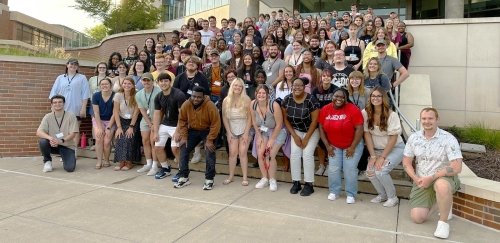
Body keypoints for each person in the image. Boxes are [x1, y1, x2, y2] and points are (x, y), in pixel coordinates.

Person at [402, 108, 463, 239]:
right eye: (424, 119)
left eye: (430, 118)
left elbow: (457, 167)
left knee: (441, 186)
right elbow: (406, 162)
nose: (427, 121)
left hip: (443, 177)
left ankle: (443, 223)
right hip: (422, 179)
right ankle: (445, 203)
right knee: (417, 218)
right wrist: (416, 178)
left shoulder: (448, 138)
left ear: (437, 120)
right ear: (420, 120)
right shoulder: (414, 138)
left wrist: (432, 177)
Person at [318, 88, 363, 204]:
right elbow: (321, 128)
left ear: (346, 99)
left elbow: (359, 129)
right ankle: (334, 191)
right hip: (334, 145)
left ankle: (351, 193)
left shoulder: (353, 109)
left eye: (342, 97)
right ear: (332, 97)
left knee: (349, 169)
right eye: (336, 96)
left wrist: (353, 147)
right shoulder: (325, 109)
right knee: (333, 169)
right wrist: (327, 146)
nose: (339, 99)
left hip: (352, 145)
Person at [363, 87, 405, 207]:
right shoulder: (365, 113)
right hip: (376, 149)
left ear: (383, 98)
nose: (375, 98)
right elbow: (367, 134)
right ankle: (383, 195)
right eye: (373, 96)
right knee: (370, 171)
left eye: (378, 96)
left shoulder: (392, 115)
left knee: (381, 171)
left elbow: (393, 138)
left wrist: (382, 157)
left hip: (396, 148)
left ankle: (393, 197)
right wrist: (372, 156)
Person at [175, 86, 221, 190]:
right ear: (191, 95)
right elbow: (182, 120)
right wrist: (184, 136)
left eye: (199, 97)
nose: (196, 99)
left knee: (209, 150)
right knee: (183, 147)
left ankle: (209, 179)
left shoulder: (210, 105)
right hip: (193, 130)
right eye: (194, 96)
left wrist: (209, 140)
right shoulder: (186, 104)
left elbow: (216, 124)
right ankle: (184, 176)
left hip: (208, 130)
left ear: (203, 97)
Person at [281, 77, 321, 196]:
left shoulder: (311, 100)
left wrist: (306, 138)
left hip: (312, 131)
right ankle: (296, 182)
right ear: (292, 86)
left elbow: (315, 121)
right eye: (295, 85)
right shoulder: (287, 99)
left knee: (307, 154)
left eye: (300, 85)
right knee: (295, 154)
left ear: (304, 87)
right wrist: (295, 136)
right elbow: (285, 119)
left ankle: (309, 184)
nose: (297, 87)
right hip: (296, 130)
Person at [49, 58, 90, 152]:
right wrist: (53, 108)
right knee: (63, 131)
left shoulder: (82, 78)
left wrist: (83, 108)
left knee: (75, 131)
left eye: (75, 64)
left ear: (77, 67)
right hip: (61, 109)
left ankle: (73, 151)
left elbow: (85, 94)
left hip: (76, 108)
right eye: (71, 64)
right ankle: (64, 151)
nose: (73, 66)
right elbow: (53, 93)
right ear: (67, 65)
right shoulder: (60, 78)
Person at [151, 72, 187, 178]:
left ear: (170, 82)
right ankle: (166, 168)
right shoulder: (158, 96)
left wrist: (178, 131)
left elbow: (183, 115)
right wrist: (156, 131)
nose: (163, 83)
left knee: (175, 148)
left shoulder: (179, 95)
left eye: (166, 81)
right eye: (161, 81)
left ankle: (183, 171)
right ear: (158, 83)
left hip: (178, 124)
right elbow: (157, 114)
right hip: (166, 124)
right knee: (157, 146)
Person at [251, 85, 285, 191]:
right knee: (260, 154)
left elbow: (279, 125)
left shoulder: (274, 105)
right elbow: (254, 122)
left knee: (269, 155)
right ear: (256, 94)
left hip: (277, 132)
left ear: (267, 94)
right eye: (259, 93)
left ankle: (272, 179)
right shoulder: (253, 104)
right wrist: (259, 136)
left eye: (263, 93)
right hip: (263, 132)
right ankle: (265, 178)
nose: (261, 95)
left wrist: (272, 139)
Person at [222, 78, 252, 186]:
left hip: (245, 129)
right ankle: (231, 176)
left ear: (243, 87)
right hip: (232, 129)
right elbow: (224, 118)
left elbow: (250, 118)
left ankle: (245, 177)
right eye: (235, 85)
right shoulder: (226, 100)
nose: (237, 88)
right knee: (232, 153)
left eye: (240, 86)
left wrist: (246, 133)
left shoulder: (247, 99)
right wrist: (229, 132)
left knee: (243, 153)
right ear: (232, 86)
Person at [37, 95, 79, 172]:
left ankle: (65, 156)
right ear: (52, 105)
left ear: (64, 103)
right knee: (43, 141)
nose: (57, 104)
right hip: (53, 145)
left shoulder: (71, 116)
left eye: (60, 102)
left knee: (69, 168)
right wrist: (51, 138)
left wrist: (61, 141)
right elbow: (39, 132)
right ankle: (47, 161)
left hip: (67, 146)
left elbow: (73, 133)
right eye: (55, 102)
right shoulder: (47, 116)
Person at [134, 73, 161, 174]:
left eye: (148, 80)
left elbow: (161, 109)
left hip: (158, 119)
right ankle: (148, 163)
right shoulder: (138, 94)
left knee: (153, 142)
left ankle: (155, 165)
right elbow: (142, 110)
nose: (146, 82)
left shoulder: (159, 92)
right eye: (144, 80)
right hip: (146, 119)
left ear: (152, 81)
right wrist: (149, 124)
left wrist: (154, 124)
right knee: (145, 141)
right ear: (141, 81)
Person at [311, 69, 337, 176]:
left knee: (331, 143)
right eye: (324, 76)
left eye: (328, 76)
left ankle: (330, 165)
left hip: (332, 120)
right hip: (319, 120)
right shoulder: (316, 90)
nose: (326, 78)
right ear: (321, 78)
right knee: (320, 144)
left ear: (332, 78)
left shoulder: (335, 89)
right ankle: (322, 165)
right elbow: (312, 105)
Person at [113, 77, 140, 171]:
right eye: (125, 83)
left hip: (133, 121)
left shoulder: (137, 95)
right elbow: (115, 111)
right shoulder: (118, 95)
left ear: (133, 85)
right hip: (121, 121)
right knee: (120, 137)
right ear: (122, 85)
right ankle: (121, 162)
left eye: (129, 83)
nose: (127, 85)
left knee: (129, 138)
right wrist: (119, 127)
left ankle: (129, 162)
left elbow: (136, 112)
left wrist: (131, 127)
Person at [91, 78, 115, 169]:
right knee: (99, 138)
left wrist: (108, 127)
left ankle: (106, 160)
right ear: (100, 86)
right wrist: (100, 127)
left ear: (111, 85)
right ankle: (99, 161)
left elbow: (114, 113)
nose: (104, 86)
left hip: (111, 120)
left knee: (107, 141)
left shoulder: (115, 95)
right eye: (102, 84)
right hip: (98, 120)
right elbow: (96, 113)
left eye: (107, 84)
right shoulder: (96, 96)